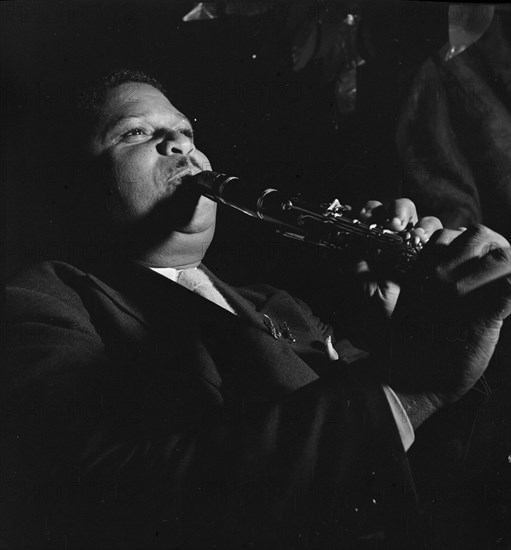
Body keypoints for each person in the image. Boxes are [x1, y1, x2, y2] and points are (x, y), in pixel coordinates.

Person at [2, 70, 510, 550]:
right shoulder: (44, 298)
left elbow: (422, 477)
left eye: (185, 131)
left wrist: (401, 333)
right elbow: (109, 493)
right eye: (135, 133)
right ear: (74, 184)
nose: (183, 146)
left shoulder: (276, 303)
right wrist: (410, 387)